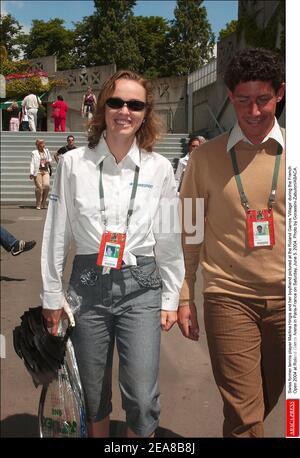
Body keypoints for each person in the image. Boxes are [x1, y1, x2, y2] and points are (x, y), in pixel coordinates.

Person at [40, 70, 184, 438]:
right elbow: (57, 231)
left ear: (145, 112)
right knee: (92, 391)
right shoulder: (72, 163)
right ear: (102, 107)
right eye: (116, 102)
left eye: (135, 104)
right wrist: (51, 294)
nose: (125, 111)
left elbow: (168, 236)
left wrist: (171, 295)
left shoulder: (161, 168)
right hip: (87, 285)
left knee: (142, 394)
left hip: (142, 286)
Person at [178, 48, 285, 438]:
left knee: (261, 402)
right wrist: (186, 294)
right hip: (228, 296)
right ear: (229, 96)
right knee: (246, 416)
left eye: (263, 100)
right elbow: (190, 230)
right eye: (243, 100)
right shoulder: (205, 158)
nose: (253, 111)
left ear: (281, 94)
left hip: (289, 302)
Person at [29, 139, 52, 210]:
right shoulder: (34, 153)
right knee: (39, 188)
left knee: (47, 186)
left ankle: (43, 202)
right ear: (38, 145)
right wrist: (31, 173)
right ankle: (38, 203)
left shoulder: (46, 151)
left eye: (43, 143)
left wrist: (48, 161)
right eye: (42, 143)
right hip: (38, 171)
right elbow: (32, 163)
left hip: (45, 171)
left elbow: (50, 159)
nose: (43, 145)